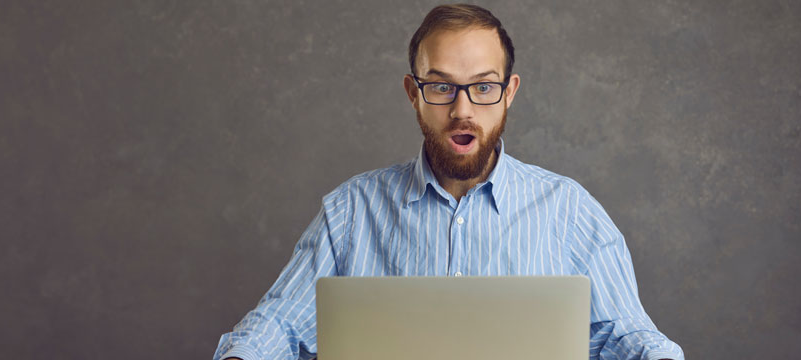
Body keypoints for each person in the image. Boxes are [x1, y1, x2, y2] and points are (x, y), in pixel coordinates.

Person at [214, 4, 684, 360]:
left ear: (509, 94)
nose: (463, 110)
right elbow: (279, 323)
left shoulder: (570, 210)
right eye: (441, 87)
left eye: (483, 87)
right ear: (413, 94)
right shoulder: (350, 211)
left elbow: (627, 333)